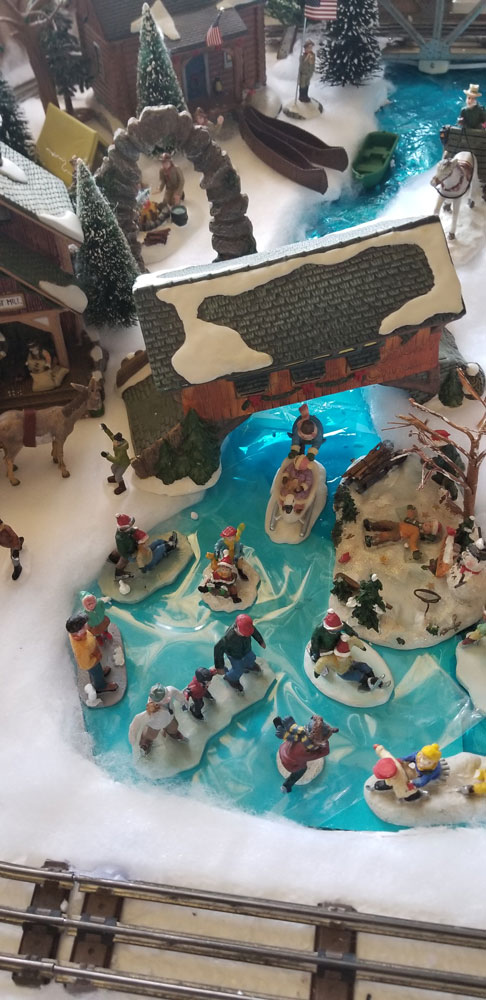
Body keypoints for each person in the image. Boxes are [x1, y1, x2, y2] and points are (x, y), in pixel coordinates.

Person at [309, 609, 388, 691]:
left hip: (339, 646)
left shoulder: (342, 633)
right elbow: (319, 653)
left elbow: (352, 638)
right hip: (326, 649)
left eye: (338, 629)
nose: (337, 630)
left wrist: (354, 635)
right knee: (357, 675)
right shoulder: (319, 631)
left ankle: (372, 677)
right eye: (335, 630)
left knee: (363, 666)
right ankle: (366, 681)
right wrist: (316, 655)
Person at [274, 714, 338, 793]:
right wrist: (325, 741)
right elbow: (325, 752)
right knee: (300, 771)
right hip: (290, 764)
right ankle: (286, 786)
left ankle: (280, 728)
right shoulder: (306, 752)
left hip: (283, 749)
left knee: (288, 738)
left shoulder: (301, 731)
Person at [109, 513, 177, 577]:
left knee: (157, 541)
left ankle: (168, 544)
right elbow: (140, 564)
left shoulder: (126, 532)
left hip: (143, 551)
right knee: (160, 549)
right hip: (144, 559)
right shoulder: (121, 539)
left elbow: (130, 531)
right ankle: (170, 546)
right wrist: (143, 568)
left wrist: (136, 534)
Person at [369, 742, 443, 801]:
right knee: (396, 776)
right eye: (423, 758)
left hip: (419, 776)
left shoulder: (430, 771)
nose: (423, 762)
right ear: (421, 754)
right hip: (412, 771)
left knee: (409, 793)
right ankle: (387, 785)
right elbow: (409, 757)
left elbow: (423, 780)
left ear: (434, 762)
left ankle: (416, 795)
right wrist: (401, 760)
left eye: (429, 762)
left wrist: (414, 784)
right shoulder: (417, 756)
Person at [363, 505, 441, 561]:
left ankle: (372, 540)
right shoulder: (416, 522)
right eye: (430, 522)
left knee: (386, 535)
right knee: (385, 523)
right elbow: (410, 517)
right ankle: (371, 526)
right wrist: (410, 510)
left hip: (399, 534)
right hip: (398, 525)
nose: (428, 524)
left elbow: (412, 543)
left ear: (427, 532)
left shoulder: (417, 533)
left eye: (430, 526)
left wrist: (415, 551)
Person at [66, 613, 117, 694]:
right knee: (96, 674)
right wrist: (96, 658)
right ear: (79, 632)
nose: (87, 625)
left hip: (93, 654)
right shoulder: (82, 648)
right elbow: (85, 663)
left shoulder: (79, 634)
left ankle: (100, 673)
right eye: (85, 625)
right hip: (91, 663)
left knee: (98, 671)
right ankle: (100, 686)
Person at [213, 614, 266, 693]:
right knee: (238, 669)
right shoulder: (228, 638)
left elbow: (255, 632)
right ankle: (231, 678)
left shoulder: (248, 628)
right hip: (235, 655)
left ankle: (249, 666)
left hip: (246, 650)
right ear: (237, 627)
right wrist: (219, 666)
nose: (246, 635)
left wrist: (260, 641)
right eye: (244, 633)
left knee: (251, 657)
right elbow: (218, 649)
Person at [137, 684, 187, 754]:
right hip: (155, 725)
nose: (168, 698)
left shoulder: (170, 690)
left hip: (170, 718)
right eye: (165, 698)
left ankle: (173, 733)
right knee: (149, 735)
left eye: (166, 694)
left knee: (173, 727)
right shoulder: (152, 708)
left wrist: (183, 702)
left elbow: (178, 694)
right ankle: (145, 743)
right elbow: (140, 719)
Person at [100, 424, 131, 496]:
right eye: (114, 441)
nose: (113, 442)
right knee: (113, 468)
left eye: (115, 442)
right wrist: (105, 429)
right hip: (119, 461)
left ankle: (122, 486)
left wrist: (107, 455)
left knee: (118, 476)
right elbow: (111, 435)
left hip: (124, 463)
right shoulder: (116, 442)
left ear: (119, 443)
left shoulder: (122, 450)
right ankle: (115, 478)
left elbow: (116, 460)